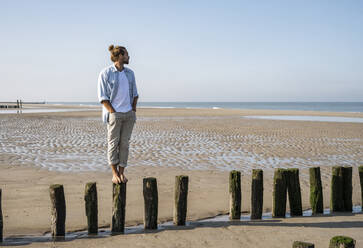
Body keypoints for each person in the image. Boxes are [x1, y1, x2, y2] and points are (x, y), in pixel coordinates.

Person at [97, 45, 139, 184]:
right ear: (120, 55)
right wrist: (112, 112)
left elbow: (135, 94)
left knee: (125, 144)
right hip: (114, 114)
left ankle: (122, 173)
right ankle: (114, 174)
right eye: (126, 54)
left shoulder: (130, 73)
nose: (128, 57)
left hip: (128, 114)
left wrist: (133, 110)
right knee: (113, 144)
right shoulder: (106, 73)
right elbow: (103, 97)